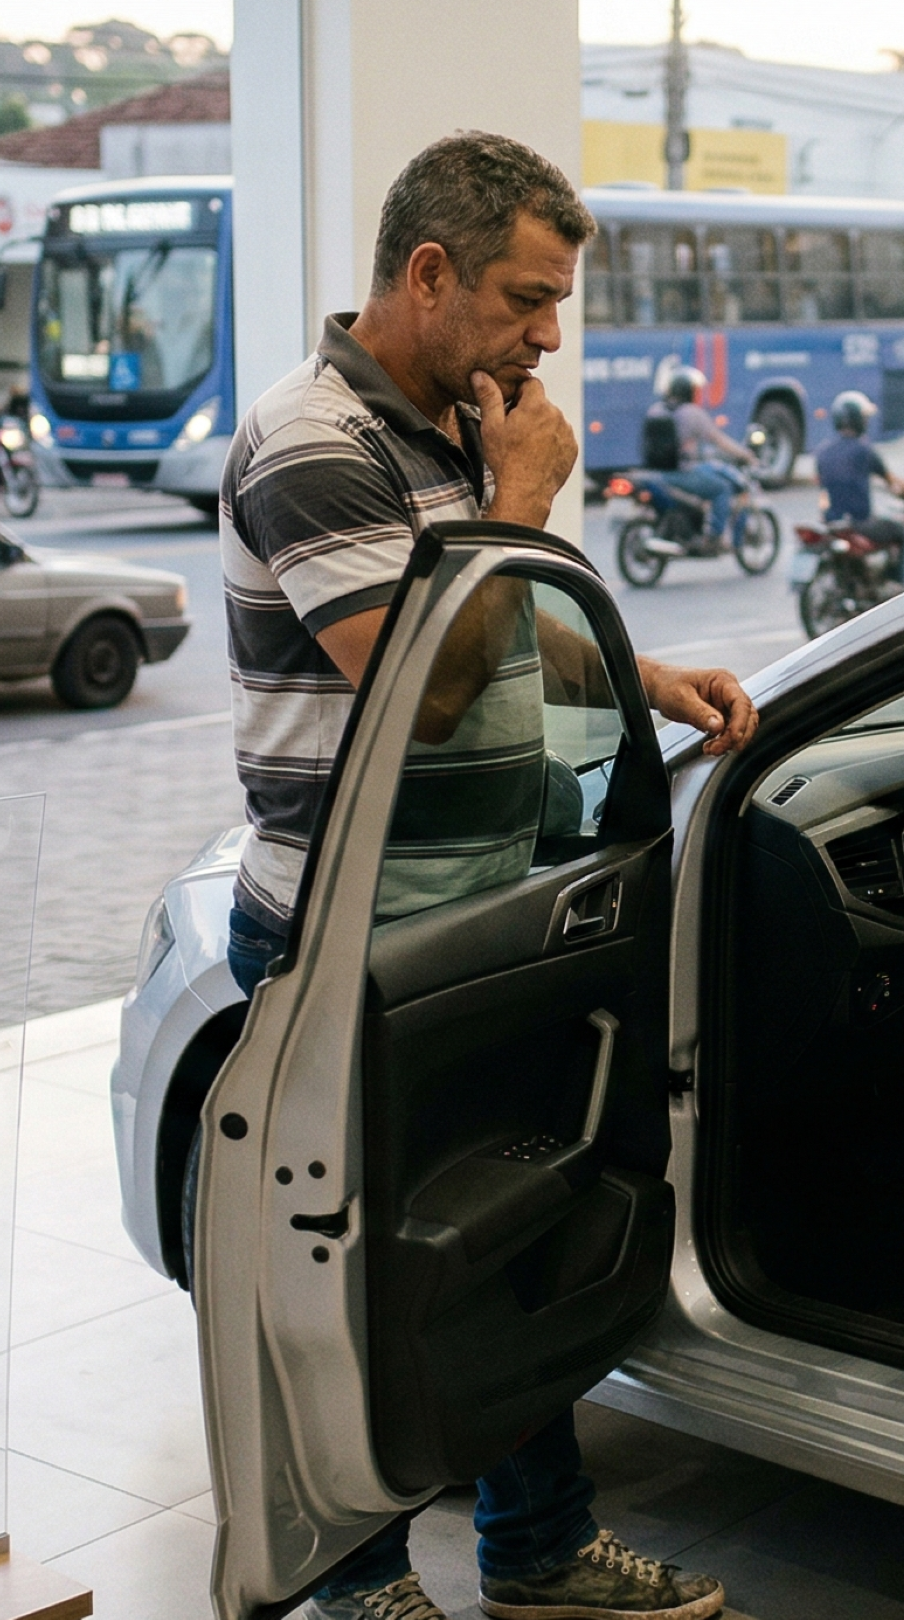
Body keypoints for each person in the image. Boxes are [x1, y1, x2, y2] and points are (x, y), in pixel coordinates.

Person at [216, 130, 751, 1620]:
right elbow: (417, 685)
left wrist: (643, 675)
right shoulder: (315, 439)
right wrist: (519, 498)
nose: (548, 336)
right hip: (346, 934)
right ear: (430, 272)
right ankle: (358, 1581)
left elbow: (501, 624)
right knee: (359, 1274)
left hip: (472, 907)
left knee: (507, 1246)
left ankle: (538, 1550)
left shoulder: (461, 420)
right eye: (526, 298)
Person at [812, 390, 904, 583]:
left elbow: (822, 484)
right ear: (859, 421)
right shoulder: (865, 450)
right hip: (859, 523)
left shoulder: (822, 452)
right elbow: (892, 482)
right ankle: (900, 583)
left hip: (831, 522)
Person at [658, 366, 752, 544]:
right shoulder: (692, 413)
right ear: (688, 392)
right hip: (681, 472)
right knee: (721, 489)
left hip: (657, 471)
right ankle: (714, 537)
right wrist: (746, 455)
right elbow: (720, 440)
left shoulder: (658, 410)